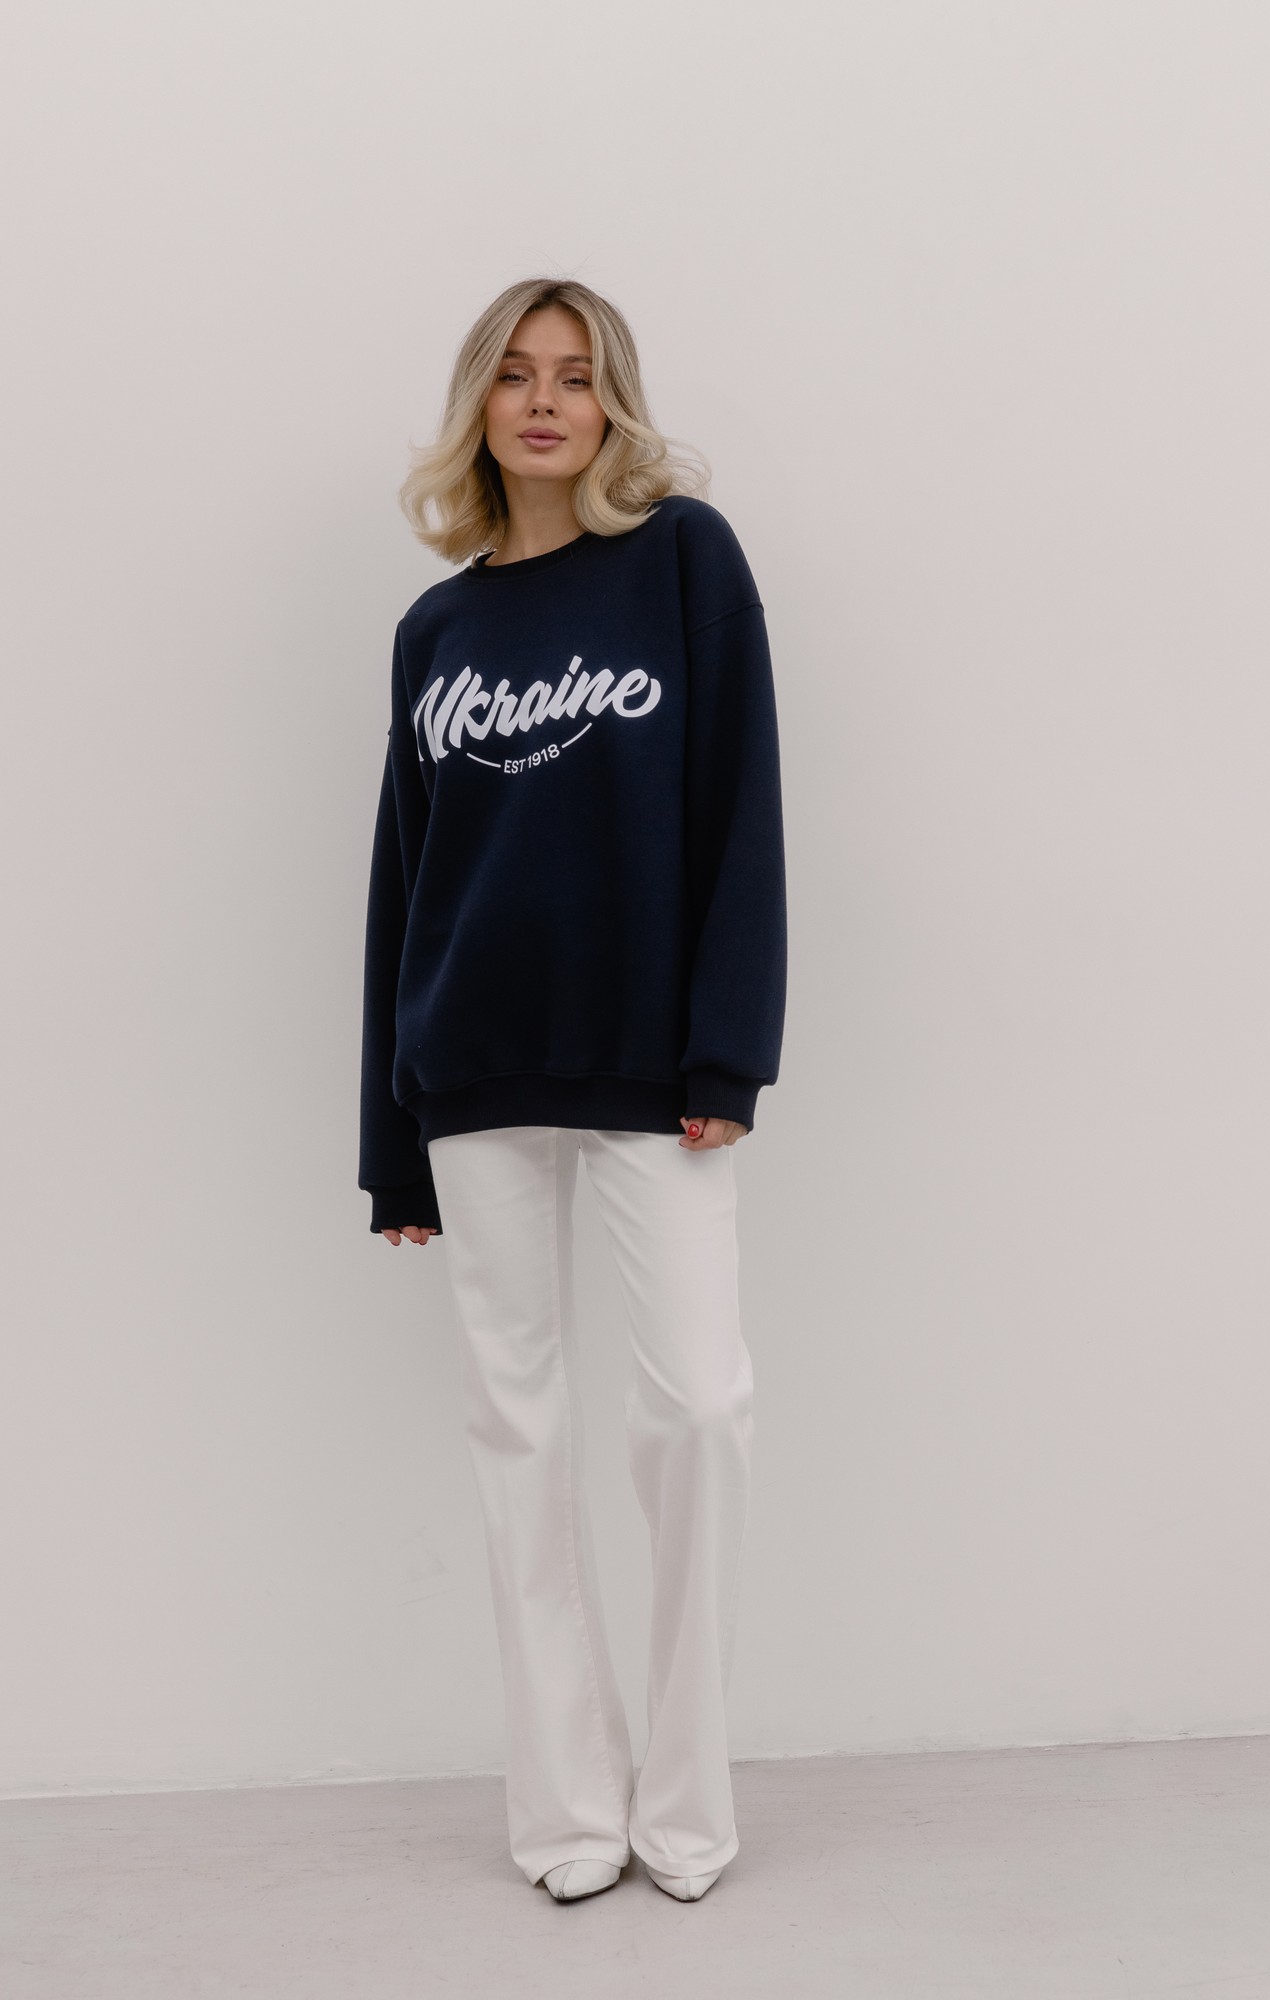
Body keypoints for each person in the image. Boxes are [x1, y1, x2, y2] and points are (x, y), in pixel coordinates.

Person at [358, 277, 787, 1905]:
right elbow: (402, 889)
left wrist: (724, 1048)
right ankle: (564, 1809)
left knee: (697, 1411)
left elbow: (740, 802)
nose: (546, 402)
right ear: (478, 403)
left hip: (652, 1076)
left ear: (613, 405)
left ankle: (684, 1797)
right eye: (517, 375)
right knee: (517, 1431)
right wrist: (392, 1144)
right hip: (470, 1073)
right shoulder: (436, 633)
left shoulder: (683, 560)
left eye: (578, 376)